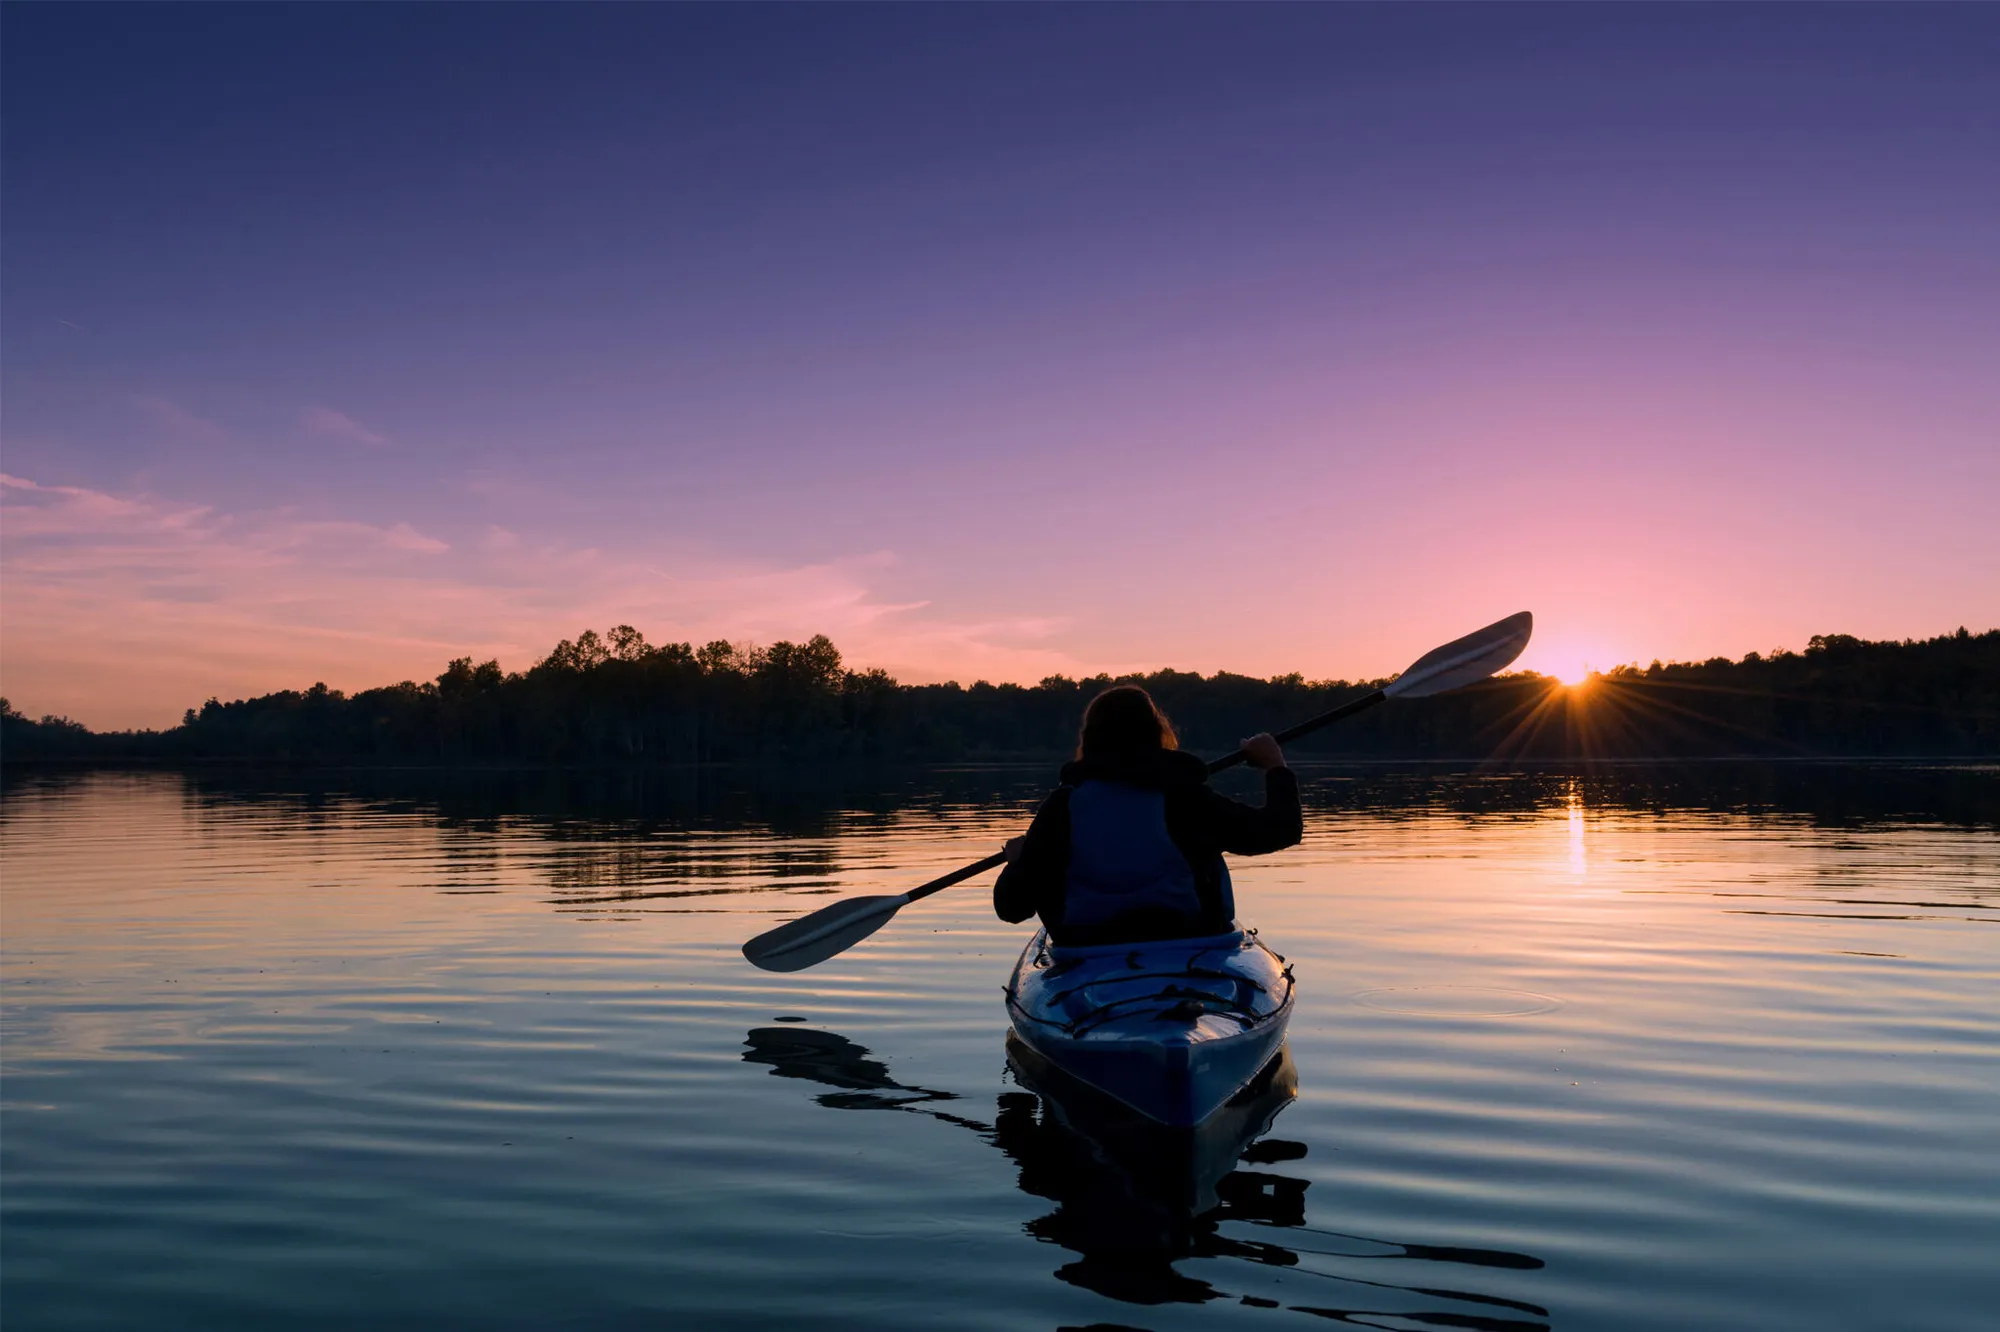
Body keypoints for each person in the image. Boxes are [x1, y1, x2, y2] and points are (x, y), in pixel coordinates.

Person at [994, 685, 1302, 947]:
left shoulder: (1063, 807)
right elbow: (1281, 829)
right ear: (1156, 733)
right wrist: (1274, 765)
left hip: (1087, 951)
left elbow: (1011, 907)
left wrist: (1018, 863)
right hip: (1189, 945)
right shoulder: (1185, 798)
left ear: (1090, 740)